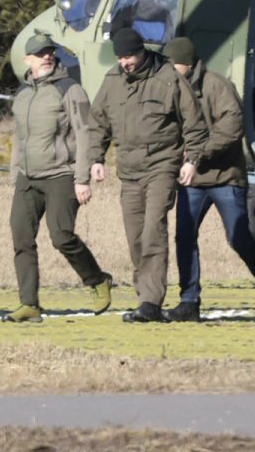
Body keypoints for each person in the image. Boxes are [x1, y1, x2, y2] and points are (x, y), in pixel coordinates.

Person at [81, 27, 208, 323]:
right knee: (135, 236)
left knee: (154, 230)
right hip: (128, 170)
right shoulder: (112, 80)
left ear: (142, 52)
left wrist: (192, 160)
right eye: (121, 57)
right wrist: (96, 158)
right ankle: (145, 295)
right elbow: (97, 122)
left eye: (130, 56)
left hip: (162, 166)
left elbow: (194, 123)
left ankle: (150, 301)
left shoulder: (168, 79)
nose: (125, 62)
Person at [163, 37, 255, 323]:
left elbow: (231, 128)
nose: (168, 71)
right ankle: (189, 301)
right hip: (192, 179)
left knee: (239, 237)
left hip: (225, 176)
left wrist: (195, 156)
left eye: (172, 65)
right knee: (184, 237)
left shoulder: (217, 86)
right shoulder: (169, 89)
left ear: (187, 64)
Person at [4, 33, 114, 323]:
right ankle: (29, 304)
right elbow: (19, 136)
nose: (47, 57)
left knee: (61, 236)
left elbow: (84, 133)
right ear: (27, 59)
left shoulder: (69, 89)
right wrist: (16, 173)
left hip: (61, 176)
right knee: (21, 237)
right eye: (40, 53)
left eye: (50, 52)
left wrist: (82, 179)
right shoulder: (23, 93)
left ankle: (98, 280)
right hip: (28, 179)